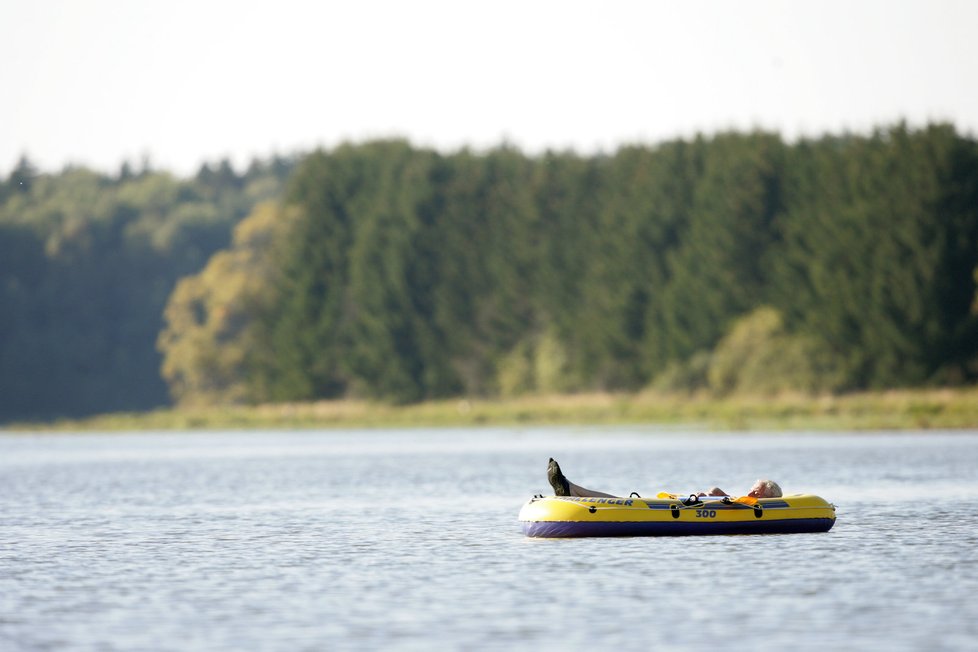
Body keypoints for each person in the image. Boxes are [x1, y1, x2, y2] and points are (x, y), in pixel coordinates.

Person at [546, 458, 783, 499]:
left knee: (621, 501)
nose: (750, 489)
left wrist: (714, 494)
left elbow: (718, 494)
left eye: (755, 488)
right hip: (679, 501)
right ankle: (572, 490)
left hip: (682, 505)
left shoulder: (748, 504)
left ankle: (572, 490)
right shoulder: (742, 501)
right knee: (620, 500)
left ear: (761, 494)